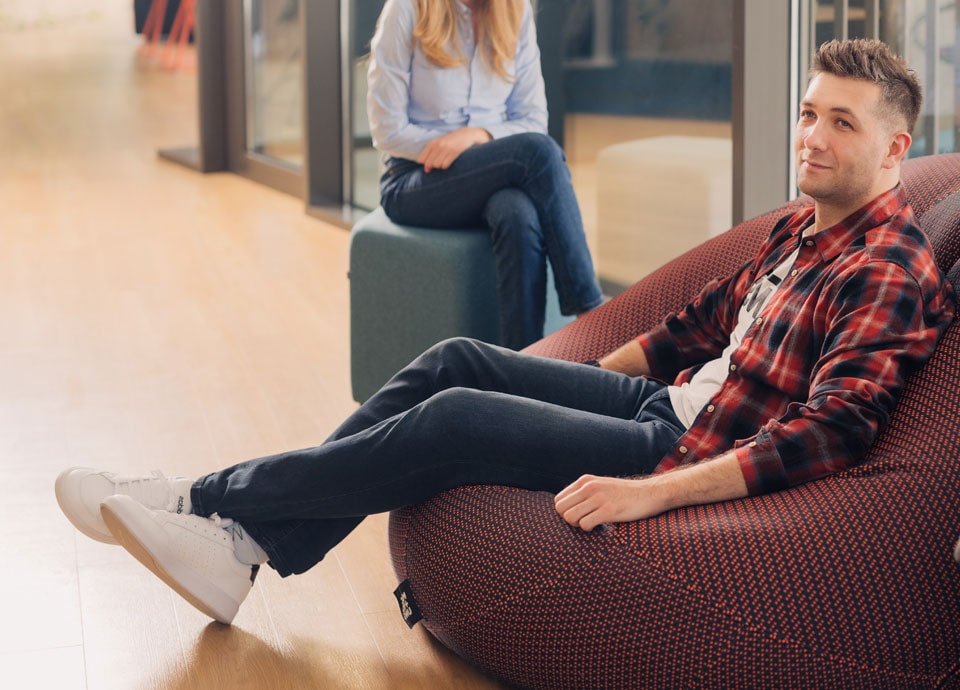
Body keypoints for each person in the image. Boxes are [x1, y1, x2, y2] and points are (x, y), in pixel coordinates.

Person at [56, 39, 955, 626]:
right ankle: (247, 547)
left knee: (455, 418)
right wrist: (560, 385)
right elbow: (698, 323)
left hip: (687, 446)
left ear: (893, 149)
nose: (811, 136)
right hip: (664, 401)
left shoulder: (886, 267)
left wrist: (659, 492)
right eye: (807, 112)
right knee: (460, 360)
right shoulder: (803, 227)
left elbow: (834, 432)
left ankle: (203, 504)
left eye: (842, 122)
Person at [366, 0, 603, 350]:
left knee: (516, 211)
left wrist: (479, 135)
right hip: (413, 180)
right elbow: (387, 130)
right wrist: (452, 146)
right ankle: (594, 315)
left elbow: (533, 118)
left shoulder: (516, 11)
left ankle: (522, 369)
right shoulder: (407, 8)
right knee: (539, 153)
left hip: (490, 174)